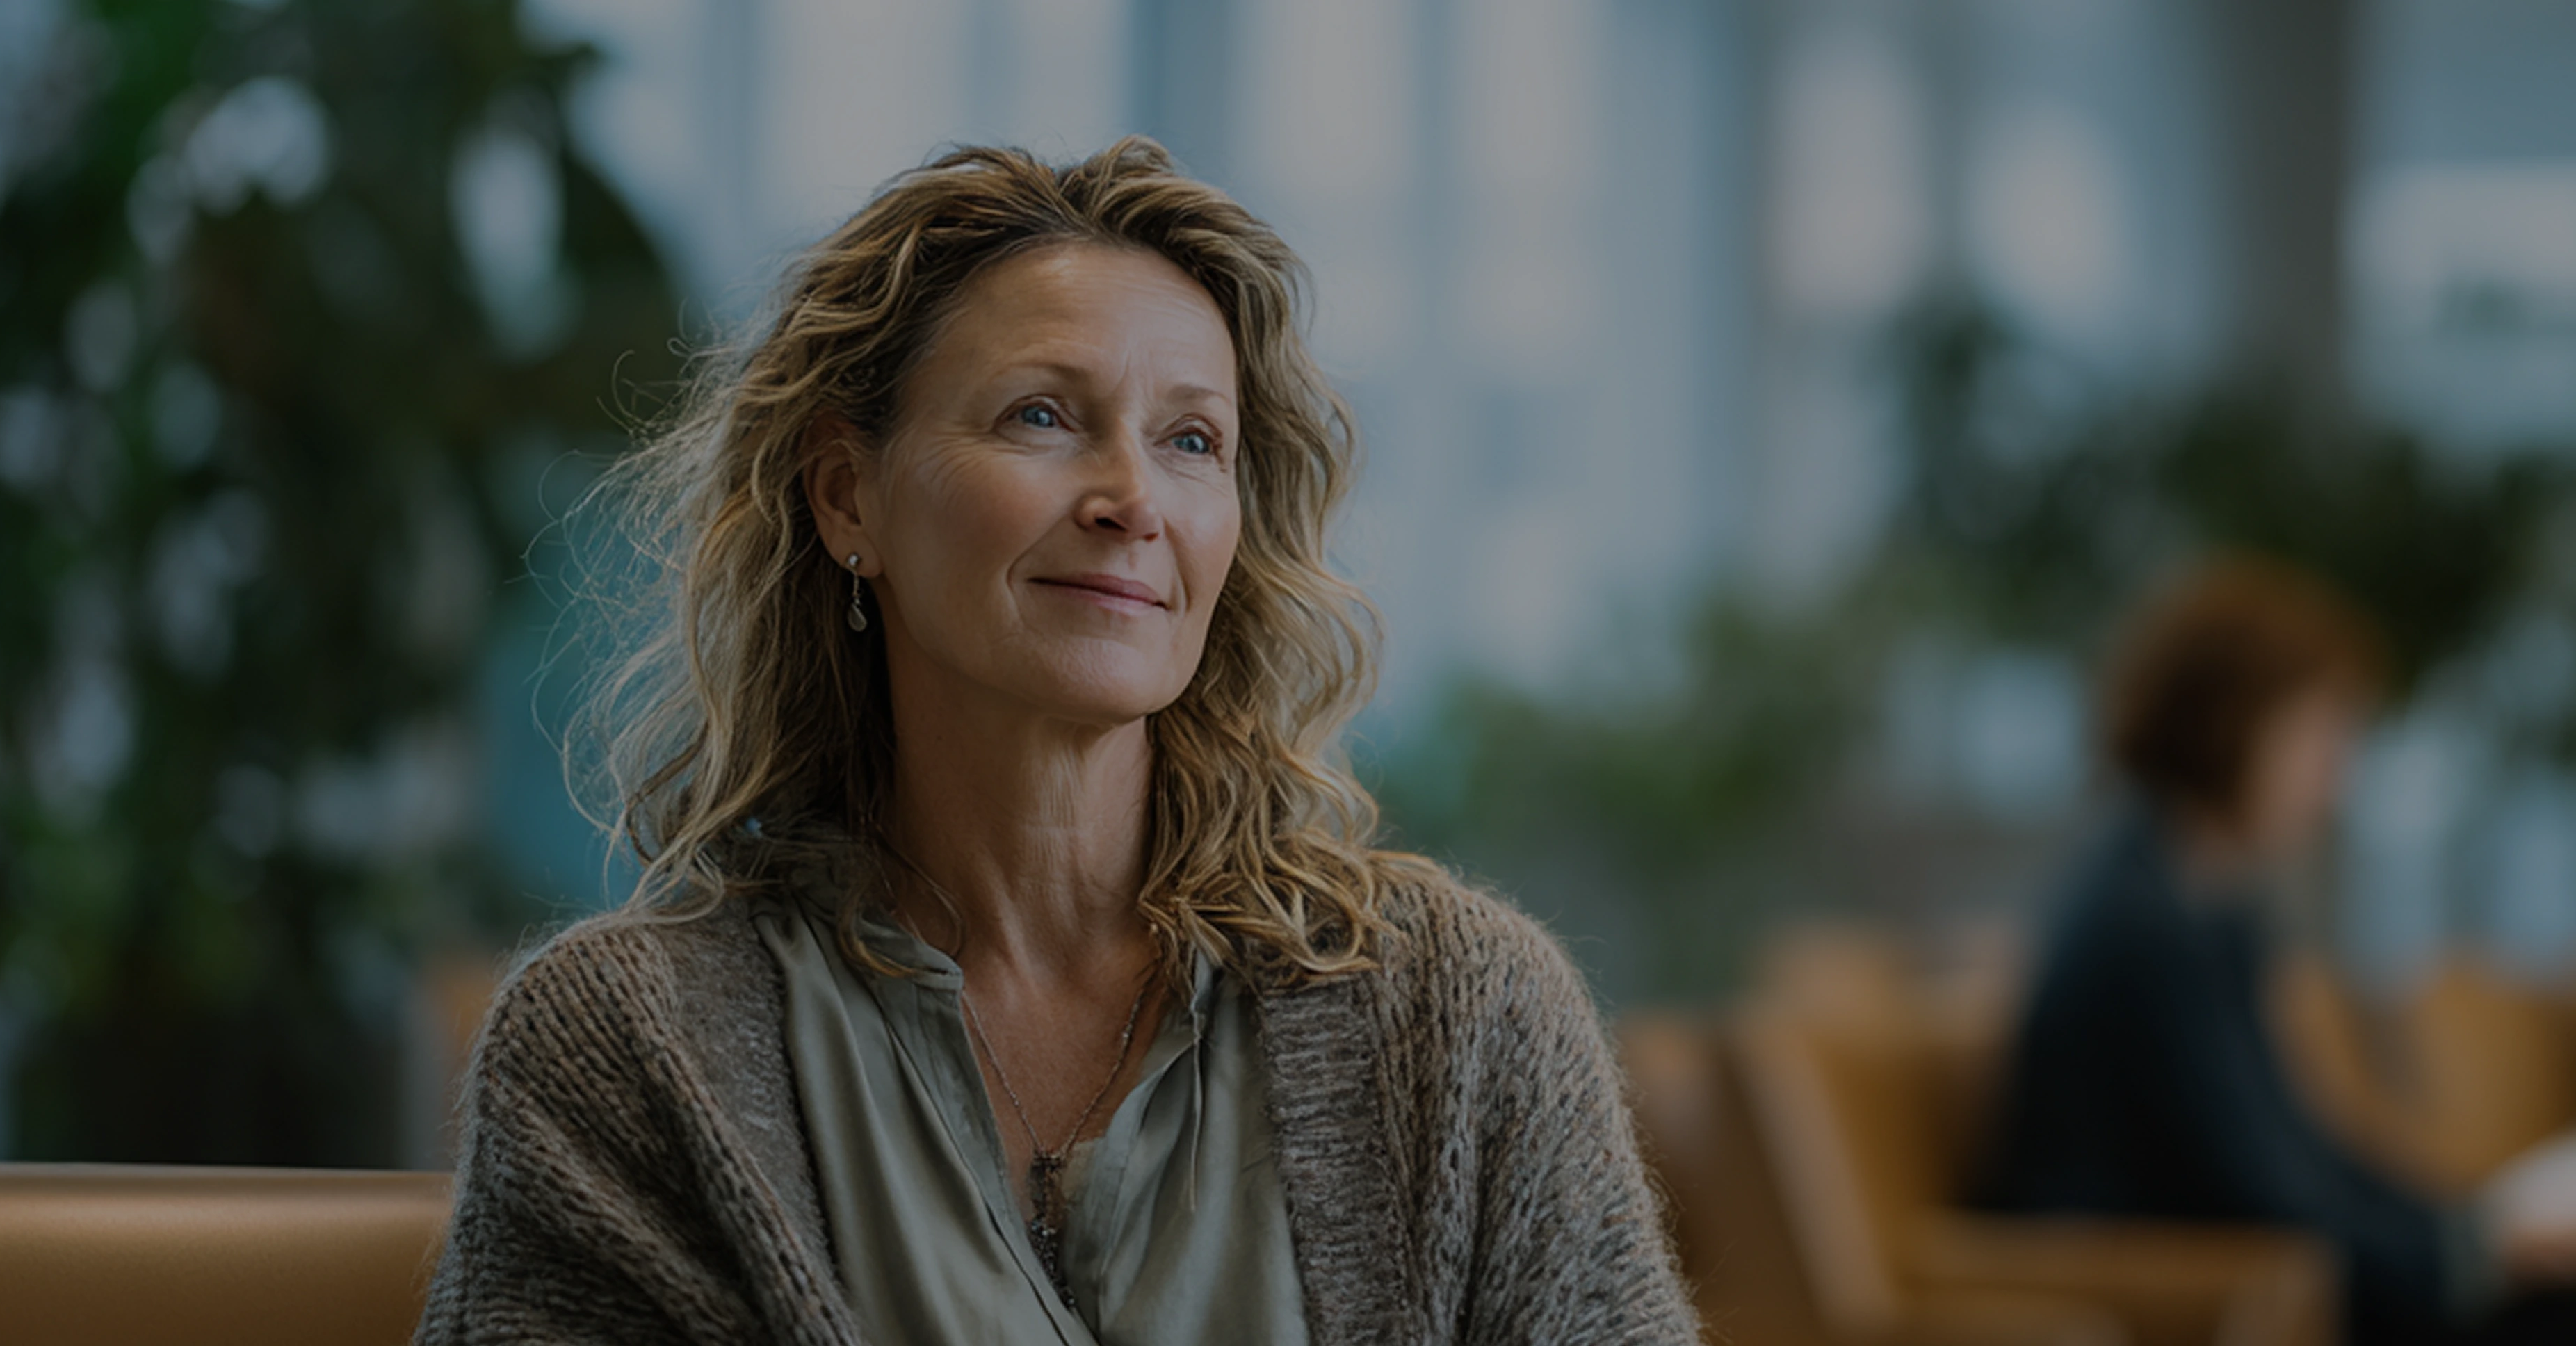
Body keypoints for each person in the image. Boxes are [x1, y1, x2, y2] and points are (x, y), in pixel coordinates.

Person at [415, 140, 1696, 1344]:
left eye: (1193, 440)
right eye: (1041, 416)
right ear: (847, 492)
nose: (1134, 499)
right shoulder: (630, 1048)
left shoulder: (1462, 1017)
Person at [1968, 556, 2470, 1344]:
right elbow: (2254, 1189)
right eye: (2318, 736)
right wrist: (2468, 1259)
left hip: (2232, 1276)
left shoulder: (2199, 903)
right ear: (2232, 722)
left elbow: (2300, 1154)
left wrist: (2471, 1232)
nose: (2334, 780)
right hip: (2161, 1298)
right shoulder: (2143, 925)